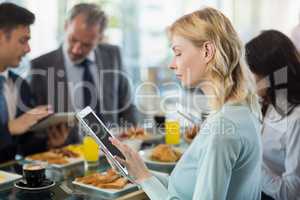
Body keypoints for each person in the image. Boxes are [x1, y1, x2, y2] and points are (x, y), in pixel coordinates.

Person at [109, 7, 262, 200]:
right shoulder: (240, 110)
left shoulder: (222, 128)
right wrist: (138, 171)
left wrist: (144, 177)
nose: (172, 64)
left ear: (207, 51)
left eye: (178, 53)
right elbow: (182, 188)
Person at [30, 3, 137, 143]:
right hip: (68, 154)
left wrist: (133, 137)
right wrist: (49, 143)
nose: (76, 50)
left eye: (86, 45)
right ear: (65, 26)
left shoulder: (113, 55)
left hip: (113, 149)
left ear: (99, 38)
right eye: (73, 39)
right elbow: (34, 126)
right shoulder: (40, 66)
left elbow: (127, 104)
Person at [0, 3, 69, 163]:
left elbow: (22, 146)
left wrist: (50, 143)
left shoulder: (20, 85)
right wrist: (9, 128)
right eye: (23, 41)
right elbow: (12, 131)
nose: (28, 49)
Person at [246, 30, 300, 200]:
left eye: (254, 72)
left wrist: (250, 164)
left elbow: (291, 193)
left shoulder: (296, 120)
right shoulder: (275, 101)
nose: (251, 79)